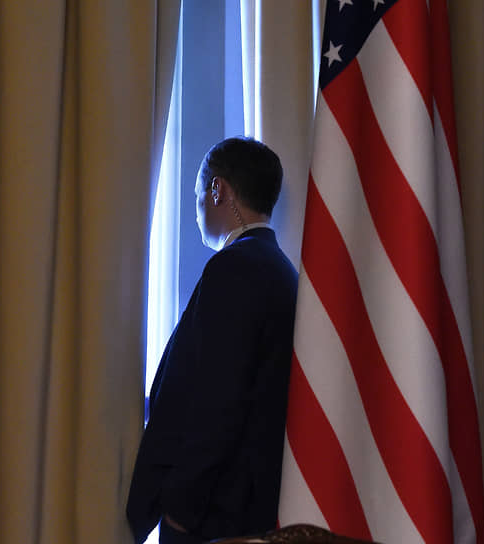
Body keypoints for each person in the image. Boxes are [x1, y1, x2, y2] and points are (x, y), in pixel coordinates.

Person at [127, 137, 299, 544]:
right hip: (254, 508)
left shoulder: (234, 268)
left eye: (197, 194)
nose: (197, 207)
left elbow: (217, 399)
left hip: (212, 513)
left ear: (217, 189)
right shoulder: (281, 269)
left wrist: (181, 509)